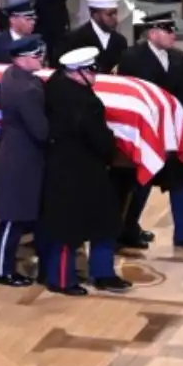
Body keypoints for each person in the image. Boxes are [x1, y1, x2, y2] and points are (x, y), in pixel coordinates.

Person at [39, 46, 129, 295]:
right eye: (91, 71)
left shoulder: (55, 85)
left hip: (60, 166)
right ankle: (64, 279)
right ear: (77, 73)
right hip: (83, 170)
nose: (95, 76)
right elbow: (98, 139)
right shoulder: (87, 102)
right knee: (72, 228)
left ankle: (93, 273)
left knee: (87, 223)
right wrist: (111, 149)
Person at [115, 13, 183, 253]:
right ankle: (128, 228)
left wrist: (172, 117)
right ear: (152, 32)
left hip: (171, 133)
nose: (173, 35)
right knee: (141, 182)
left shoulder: (178, 58)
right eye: (168, 31)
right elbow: (131, 94)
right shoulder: (132, 58)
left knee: (179, 181)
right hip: (145, 132)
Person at [0, 34, 48, 287]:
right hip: (22, 156)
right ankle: (1, 269)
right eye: (36, 56)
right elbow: (41, 130)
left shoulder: (11, 76)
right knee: (13, 216)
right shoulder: (26, 89)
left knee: (18, 213)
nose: (41, 59)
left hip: (14, 151)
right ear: (21, 59)